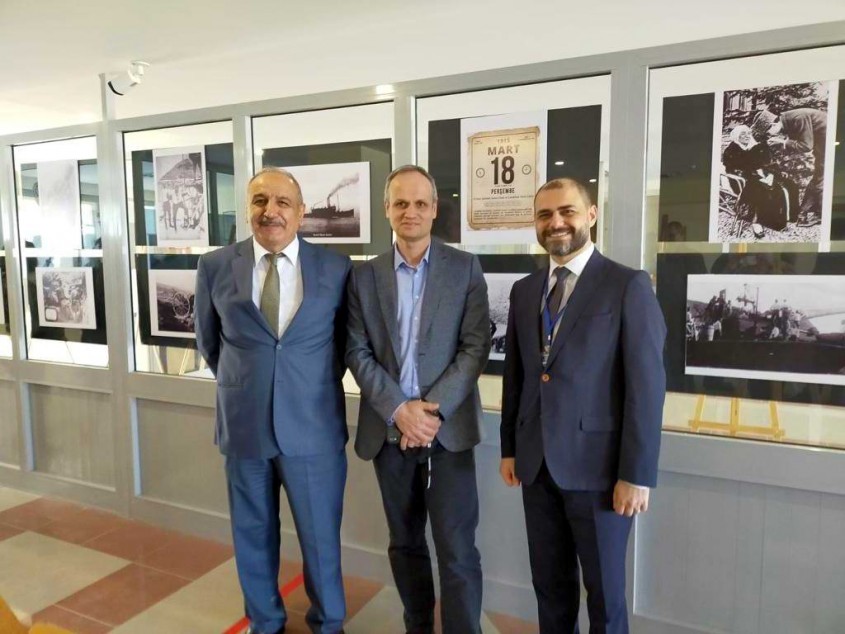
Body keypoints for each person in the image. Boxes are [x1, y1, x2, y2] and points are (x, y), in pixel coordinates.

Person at [499, 178, 666, 633]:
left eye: (567, 212)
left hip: (601, 474)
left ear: (590, 215)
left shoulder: (627, 285)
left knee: (605, 596)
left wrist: (636, 474)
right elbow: (519, 376)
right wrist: (510, 448)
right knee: (550, 589)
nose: (556, 223)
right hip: (537, 468)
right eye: (544, 215)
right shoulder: (525, 290)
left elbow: (646, 389)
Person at [195, 167, 352, 634]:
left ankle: (329, 624)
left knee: (321, 539)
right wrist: (251, 382)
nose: (271, 211)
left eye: (283, 202)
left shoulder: (337, 268)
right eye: (261, 201)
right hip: (244, 427)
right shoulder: (216, 265)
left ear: (302, 212)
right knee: (251, 535)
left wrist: (302, 384)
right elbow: (210, 342)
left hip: (314, 428)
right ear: (248, 209)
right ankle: (266, 623)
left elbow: (345, 344)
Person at [346, 165, 490, 634]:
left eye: (421, 203)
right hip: (389, 434)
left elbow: (475, 348)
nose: (411, 211)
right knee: (404, 544)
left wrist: (431, 412)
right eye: (401, 203)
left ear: (434, 210)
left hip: (446, 433)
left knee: (457, 550)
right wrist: (399, 409)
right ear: (387, 208)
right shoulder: (362, 276)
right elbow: (356, 349)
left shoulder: (464, 268)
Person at [752, 107, 827, 227]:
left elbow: (806, 146)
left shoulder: (798, 118)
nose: (769, 136)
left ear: (773, 125)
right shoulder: (788, 119)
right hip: (823, 147)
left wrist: (783, 142)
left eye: (767, 133)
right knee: (820, 178)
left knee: (822, 179)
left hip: (829, 144)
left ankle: (813, 213)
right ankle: (807, 213)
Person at [722, 124, 798, 232]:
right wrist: (758, 177)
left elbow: (765, 163)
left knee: (790, 184)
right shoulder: (731, 150)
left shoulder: (754, 146)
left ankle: (789, 216)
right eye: (743, 134)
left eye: (748, 133)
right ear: (737, 136)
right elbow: (733, 170)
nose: (747, 136)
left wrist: (770, 174)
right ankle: (761, 222)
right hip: (741, 180)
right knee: (767, 190)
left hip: (760, 175)